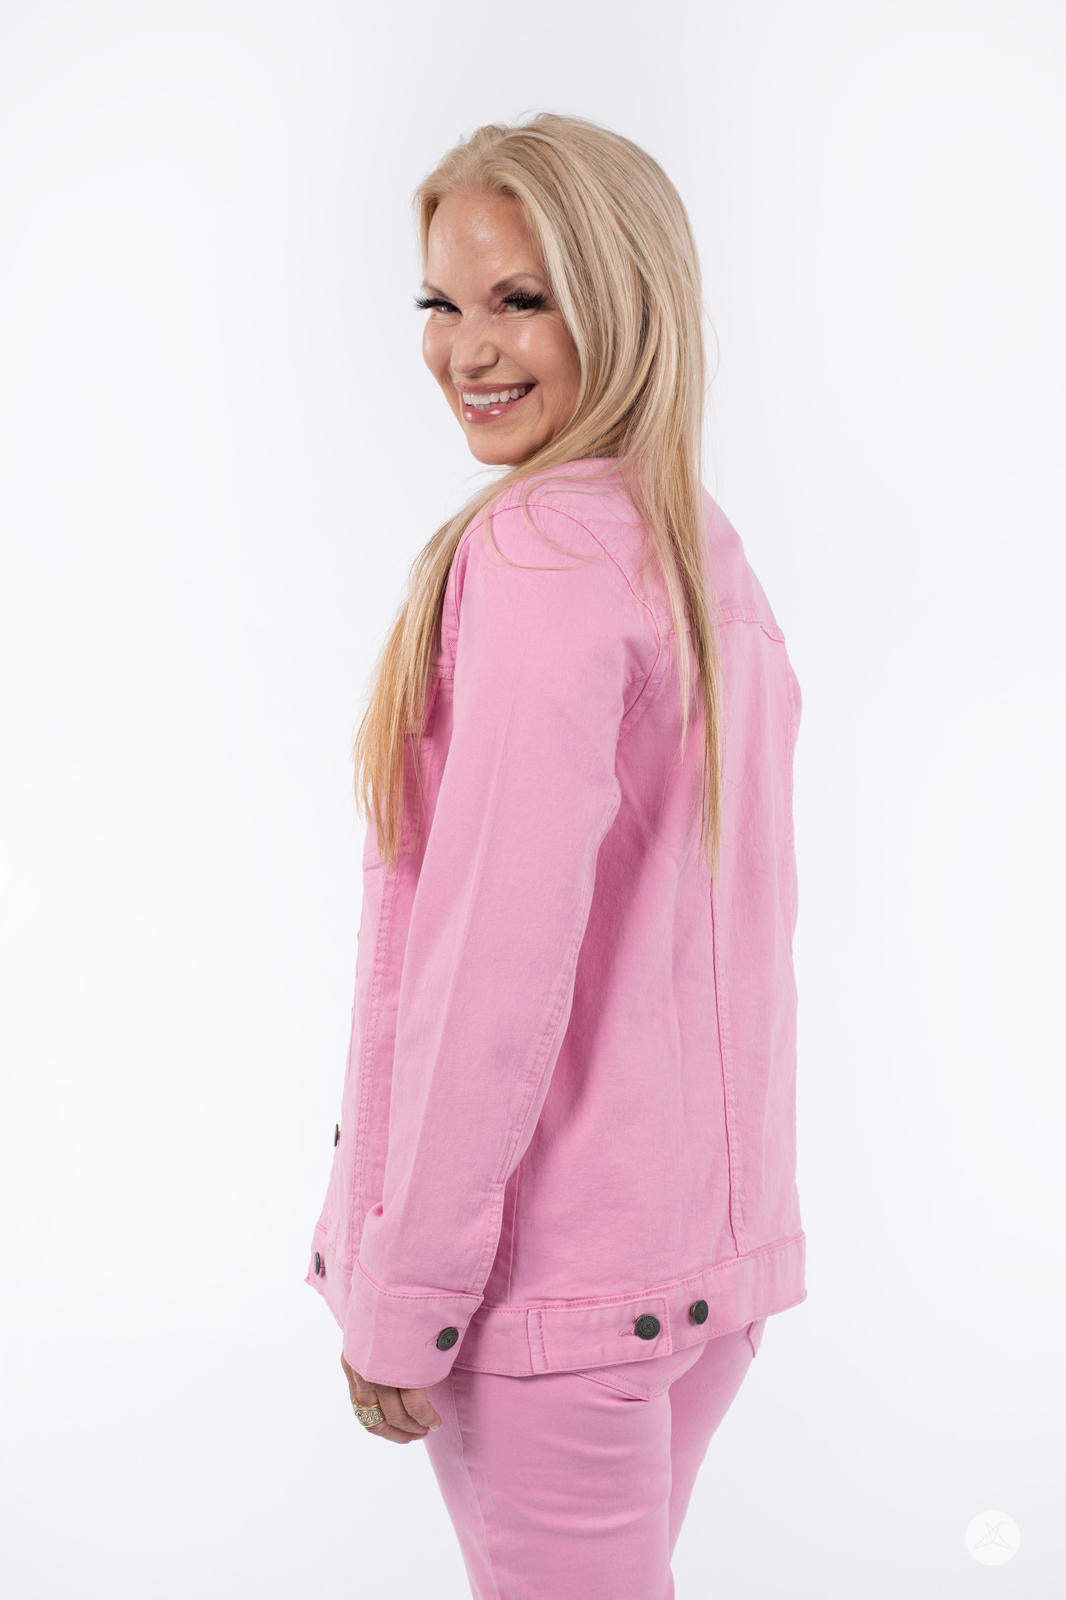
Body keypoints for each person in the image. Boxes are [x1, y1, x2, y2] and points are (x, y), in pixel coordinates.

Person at [304, 110, 806, 1597]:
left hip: (550, 1301)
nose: (466, 351)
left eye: (519, 299)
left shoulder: (538, 551)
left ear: (621, 297)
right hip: (695, 1275)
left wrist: (406, 1294)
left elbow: (492, 969)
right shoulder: (691, 537)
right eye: (441, 302)